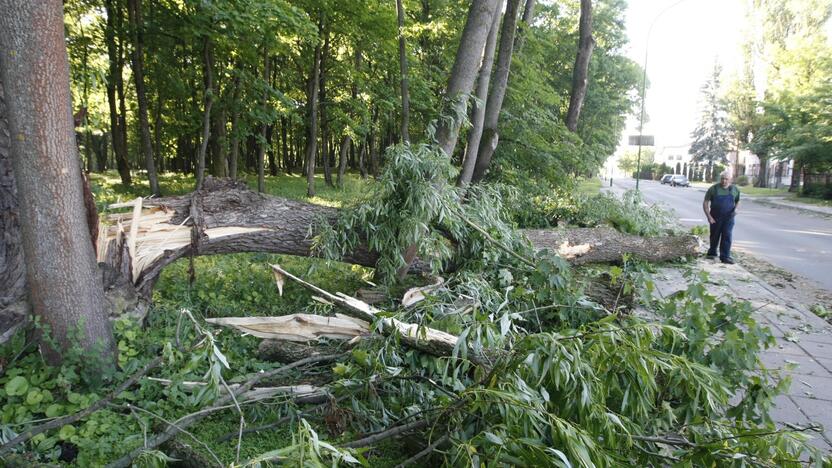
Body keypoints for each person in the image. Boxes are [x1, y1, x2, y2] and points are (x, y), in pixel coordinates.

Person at [703, 171, 740, 264]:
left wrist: (736, 209)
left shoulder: (735, 189)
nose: (724, 181)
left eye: (726, 179)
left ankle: (725, 256)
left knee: (727, 236)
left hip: (729, 218)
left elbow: (738, 201)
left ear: (730, 180)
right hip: (715, 217)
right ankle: (712, 253)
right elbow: (705, 202)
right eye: (722, 178)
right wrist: (709, 216)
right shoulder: (713, 189)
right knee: (714, 236)